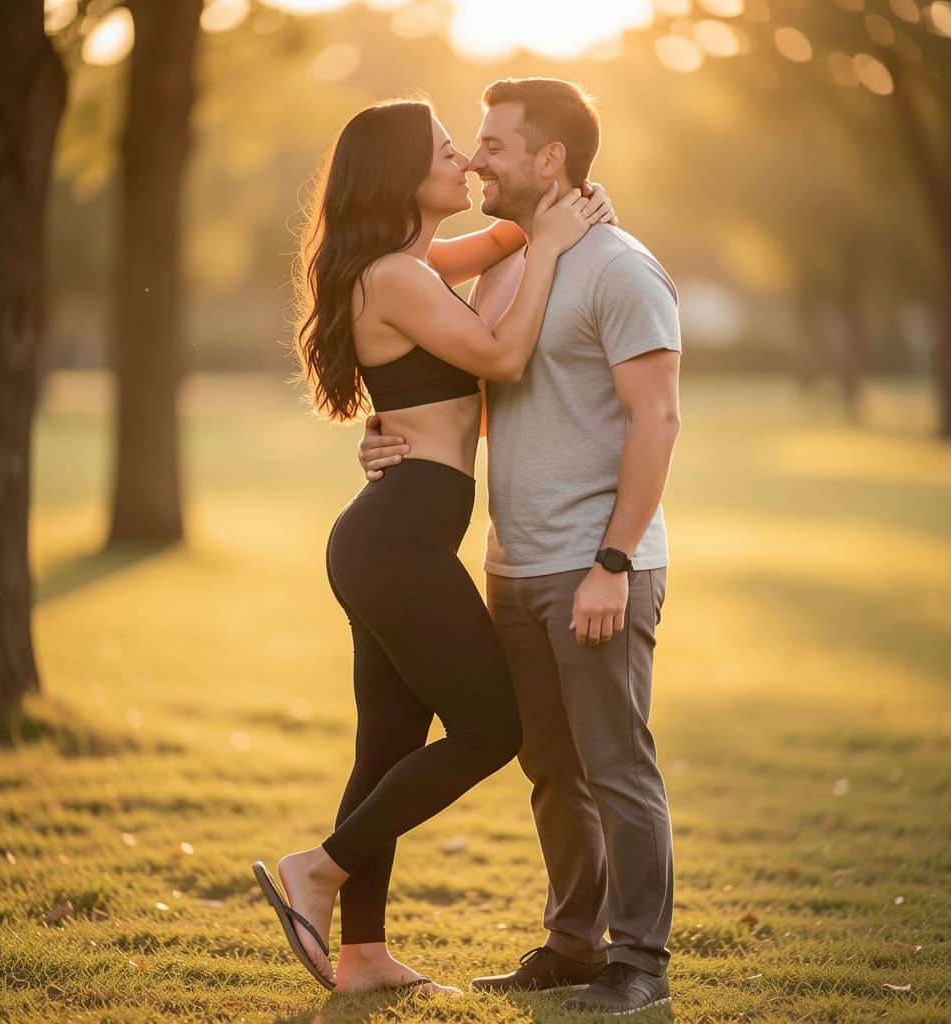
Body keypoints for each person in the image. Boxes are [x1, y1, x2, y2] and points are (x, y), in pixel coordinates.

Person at [252, 96, 617, 995]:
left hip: (391, 535)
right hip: (400, 540)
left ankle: (364, 956)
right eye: (450, 154)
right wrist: (558, 245)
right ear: (402, 174)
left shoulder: (409, 263)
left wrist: (540, 214)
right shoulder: (398, 274)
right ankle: (319, 869)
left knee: (385, 746)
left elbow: (495, 245)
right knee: (493, 727)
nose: (467, 167)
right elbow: (499, 357)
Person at [360, 77, 681, 1016]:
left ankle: (640, 964)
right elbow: (488, 402)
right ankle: (573, 945)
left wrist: (613, 563)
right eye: (472, 142)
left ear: (551, 160)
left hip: (597, 568)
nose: (475, 157)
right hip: (511, 565)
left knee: (617, 765)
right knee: (551, 770)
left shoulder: (620, 268)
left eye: (493, 144)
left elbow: (657, 421)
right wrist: (390, 437)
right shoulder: (507, 266)